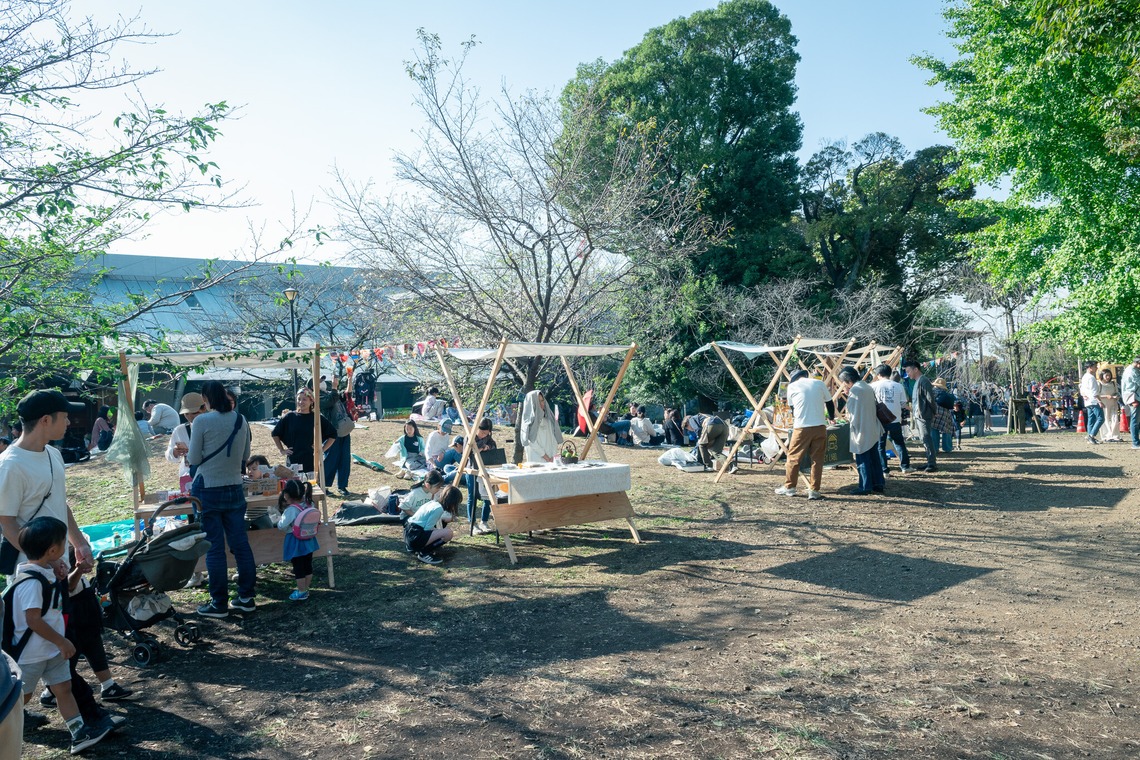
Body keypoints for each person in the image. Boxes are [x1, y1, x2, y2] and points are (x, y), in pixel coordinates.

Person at [6, 517, 111, 753]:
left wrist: (75, 572)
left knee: (63, 688)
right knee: (18, 699)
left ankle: (79, 733)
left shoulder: (47, 571)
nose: (68, 547)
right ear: (53, 550)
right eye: (65, 542)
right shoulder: (31, 583)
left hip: (52, 650)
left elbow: (64, 593)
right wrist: (61, 640)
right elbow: (33, 620)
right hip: (31, 655)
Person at [188, 380, 255, 618]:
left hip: (208, 488)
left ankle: (219, 603)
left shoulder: (201, 421)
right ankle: (246, 597)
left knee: (215, 548)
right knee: (240, 544)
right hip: (235, 486)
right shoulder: (240, 419)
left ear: (206, 398)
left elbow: (194, 457)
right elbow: (246, 455)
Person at [775, 370, 829, 499]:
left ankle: (790, 487)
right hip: (820, 426)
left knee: (794, 457)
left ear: (795, 378)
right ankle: (814, 490)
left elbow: (793, 408)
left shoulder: (792, 386)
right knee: (817, 459)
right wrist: (831, 417)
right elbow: (830, 402)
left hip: (802, 427)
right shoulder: (819, 383)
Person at [839, 367, 885, 495]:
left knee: (862, 458)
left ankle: (865, 486)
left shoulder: (856, 390)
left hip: (861, 429)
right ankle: (878, 483)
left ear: (848, 380)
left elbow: (853, 412)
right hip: (872, 426)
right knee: (874, 458)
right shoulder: (867, 386)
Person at [272, 389, 335, 475]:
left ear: (311, 401)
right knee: (295, 486)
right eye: (299, 399)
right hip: (293, 460)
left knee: (311, 486)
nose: (301, 402)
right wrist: (282, 450)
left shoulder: (316, 418)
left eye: (304, 399)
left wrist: (321, 450)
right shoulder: (290, 416)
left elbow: (333, 434)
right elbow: (275, 433)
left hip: (310, 459)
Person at [275, 480, 320, 601]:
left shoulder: (291, 510)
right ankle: (305, 588)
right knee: (307, 565)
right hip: (309, 538)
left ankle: (301, 591)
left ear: (286, 495)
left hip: (295, 541)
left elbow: (281, 526)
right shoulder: (310, 503)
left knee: (298, 567)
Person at [404, 485, 461, 565]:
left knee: (442, 526)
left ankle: (414, 547)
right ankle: (424, 553)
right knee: (448, 533)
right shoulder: (439, 509)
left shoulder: (433, 503)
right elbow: (428, 528)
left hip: (409, 533)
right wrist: (440, 532)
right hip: (415, 536)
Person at [871, 364, 911, 475]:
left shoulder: (873, 386)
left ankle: (884, 470)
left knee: (880, 446)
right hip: (895, 419)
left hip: (879, 420)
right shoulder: (898, 386)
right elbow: (903, 403)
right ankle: (905, 466)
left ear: (879, 374)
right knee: (899, 443)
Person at [320, 377, 355, 497]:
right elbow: (330, 401)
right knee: (331, 459)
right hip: (332, 432)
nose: (323, 383)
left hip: (344, 429)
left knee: (344, 458)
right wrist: (334, 387)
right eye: (320, 381)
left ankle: (342, 486)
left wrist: (349, 381)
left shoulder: (330, 393)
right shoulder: (317, 398)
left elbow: (346, 395)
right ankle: (323, 485)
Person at [167, 392, 206, 495]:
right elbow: (169, 455)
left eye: (194, 413)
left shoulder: (212, 428)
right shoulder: (180, 430)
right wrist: (174, 452)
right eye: (186, 413)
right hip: (188, 476)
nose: (190, 416)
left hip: (210, 475)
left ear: (204, 409)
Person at [903, 359, 939, 473]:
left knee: (927, 438)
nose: (907, 374)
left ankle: (932, 464)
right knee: (924, 438)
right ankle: (929, 461)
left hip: (924, 414)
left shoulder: (924, 381)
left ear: (916, 369)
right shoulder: (918, 381)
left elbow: (930, 398)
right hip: (919, 414)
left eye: (908, 371)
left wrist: (934, 411)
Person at [466, 419, 497, 535]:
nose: (483, 435)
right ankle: (472, 524)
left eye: (486, 433)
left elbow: (493, 447)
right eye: (482, 432)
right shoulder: (470, 437)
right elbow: (467, 452)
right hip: (472, 470)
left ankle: (484, 521)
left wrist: (487, 447)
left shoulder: (489, 439)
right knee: (472, 497)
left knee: (488, 496)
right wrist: (480, 448)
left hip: (486, 469)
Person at [520, 389, 563, 462]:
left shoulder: (548, 420)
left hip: (551, 460)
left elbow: (554, 439)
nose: (542, 403)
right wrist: (545, 457)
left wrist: (552, 457)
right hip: (536, 461)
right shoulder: (527, 424)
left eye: (542, 400)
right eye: (538, 401)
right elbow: (531, 442)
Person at [1079, 362, 1104, 445]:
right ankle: (1092, 435)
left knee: (1091, 419)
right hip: (1093, 401)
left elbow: (1081, 388)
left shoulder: (1084, 377)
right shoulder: (1091, 378)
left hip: (1088, 401)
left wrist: (1083, 395)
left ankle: (1090, 436)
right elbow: (1094, 391)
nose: (1096, 368)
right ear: (1090, 367)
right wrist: (1099, 401)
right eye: (1095, 366)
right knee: (1101, 418)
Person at [1121, 356, 1140, 449]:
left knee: (1136, 420)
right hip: (1134, 398)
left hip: (1134, 396)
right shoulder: (1132, 372)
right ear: (1138, 363)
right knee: (1135, 421)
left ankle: (1136, 441)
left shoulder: (1130, 369)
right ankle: (1135, 443)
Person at [1098, 368, 1121, 442]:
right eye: (1106, 375)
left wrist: (1116, 396)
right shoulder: (1099, 384)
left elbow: (1117, 392)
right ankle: (1106, 436)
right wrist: (1106, 396)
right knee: (1105, 419)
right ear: (1102, 376)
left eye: (1109, 375)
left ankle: (1115, 435)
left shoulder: (1113, 383)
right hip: (1104, 404)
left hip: (1113, 403)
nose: (1108, 377)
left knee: (1115, 419)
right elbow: (1096, 395)